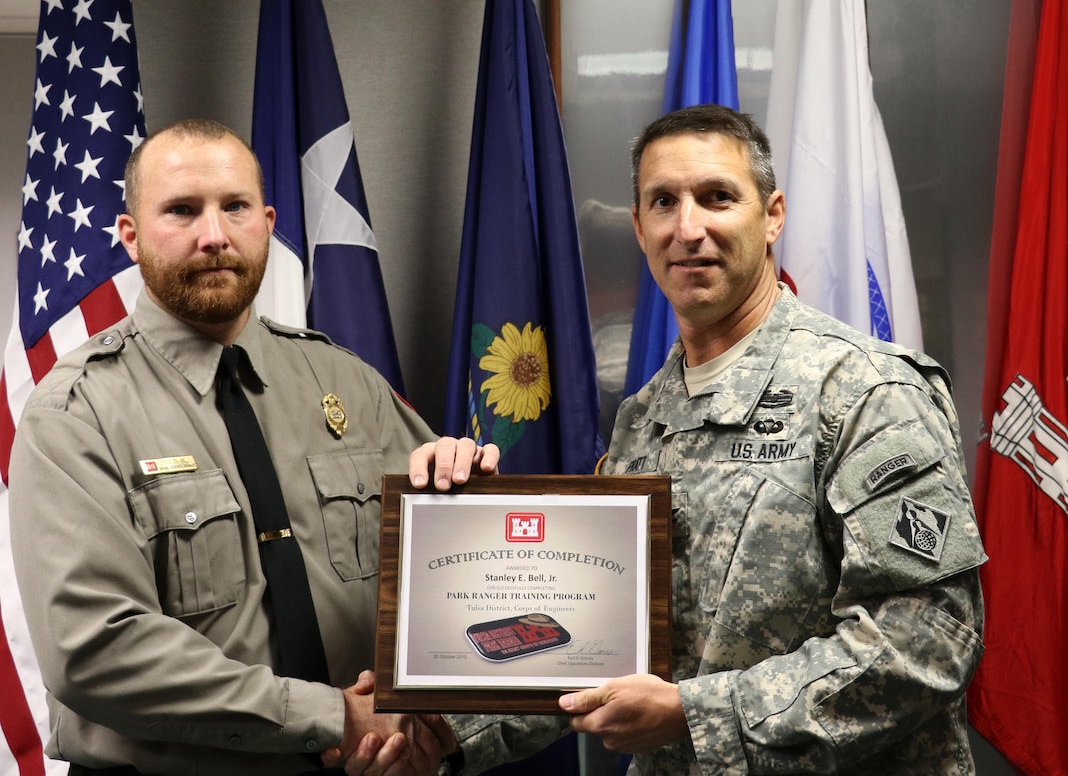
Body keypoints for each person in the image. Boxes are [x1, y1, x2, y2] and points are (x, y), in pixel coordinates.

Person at [413, 104, 987, 774]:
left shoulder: (863, 391)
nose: (689, 229)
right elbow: (594, 644)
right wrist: (439, 728)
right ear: (638, 227)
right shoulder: (643, 419)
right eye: (664, 202)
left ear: (771, 215)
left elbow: (924, 643)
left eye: (717, 197)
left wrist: (693, 715)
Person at [8, 118, 493, 776]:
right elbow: (94, 649)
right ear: (129, 238)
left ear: (265, 222)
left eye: (234, 207)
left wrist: (469, 498)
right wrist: (331, 718)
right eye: (181, 211)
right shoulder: (76, 411)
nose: (214, 236)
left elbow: (455, 581)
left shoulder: (347, 381)